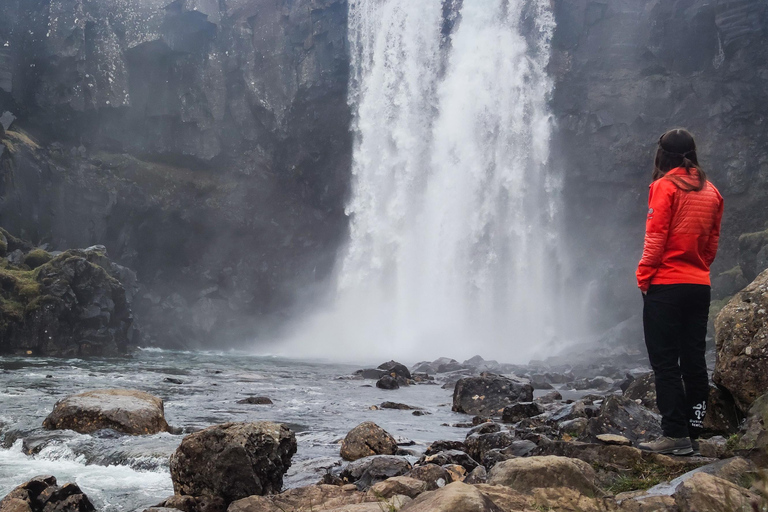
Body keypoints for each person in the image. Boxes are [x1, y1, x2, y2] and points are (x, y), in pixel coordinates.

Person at [635, 128, 724, 455]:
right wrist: (699, 267)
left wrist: (644, 276)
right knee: (694, 360)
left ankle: (674, 434)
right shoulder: (712, 191)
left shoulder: (664, 187)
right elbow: (712, 244)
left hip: (667, 285)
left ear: (663, 154)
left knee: (665, 363)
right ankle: (695, 431)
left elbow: (655, 239)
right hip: (699, 286)